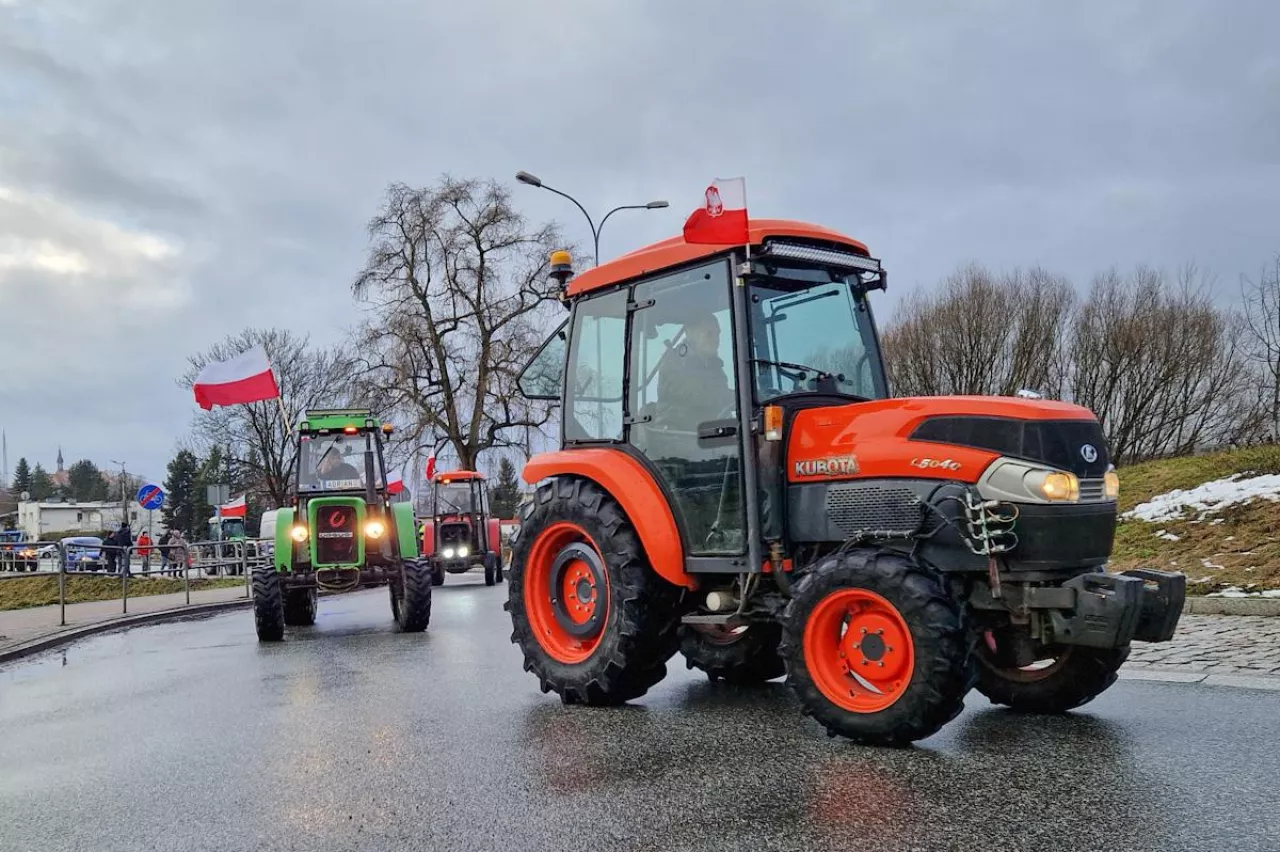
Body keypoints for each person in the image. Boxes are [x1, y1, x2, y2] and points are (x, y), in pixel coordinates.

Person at [656, 313, 735, 432]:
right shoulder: (674, 362)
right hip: (678, 434)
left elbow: (721, 405)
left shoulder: (715, 367)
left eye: (717, 334)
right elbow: (698, 394)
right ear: (691, 334)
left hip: (707, 432)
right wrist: (739, 398)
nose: (716, 340)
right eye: (709, 334)